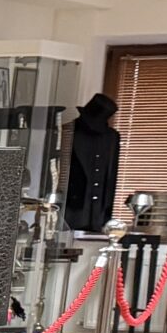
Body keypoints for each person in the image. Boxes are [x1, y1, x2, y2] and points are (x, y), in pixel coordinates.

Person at [65, 91, 121, 233]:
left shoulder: (112, 137)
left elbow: (111, 175)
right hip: (71, 207)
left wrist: (106, 210)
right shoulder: (69, 131)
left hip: (99, 211)